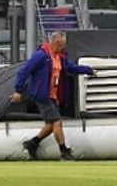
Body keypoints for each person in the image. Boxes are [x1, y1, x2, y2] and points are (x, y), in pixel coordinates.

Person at [12, 31, 94, 160]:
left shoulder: (59, 56)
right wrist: (18, 90)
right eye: (63, 45)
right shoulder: (41, 56)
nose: (64, 47)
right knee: (57, 121)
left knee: (50, 124)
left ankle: (32, 143)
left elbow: (71, 67)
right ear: (56, 42)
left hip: (53, 95)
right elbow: (24, 71)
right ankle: (63, 150)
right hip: (42, 94)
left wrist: (88, 70)